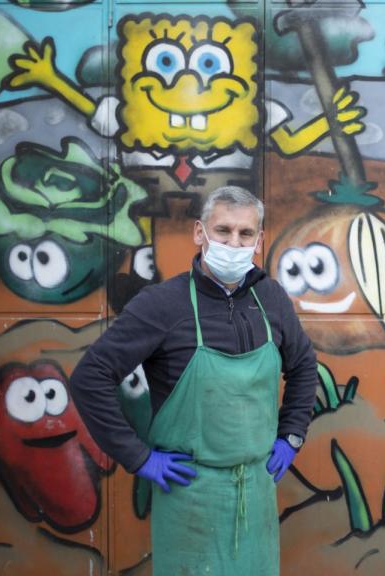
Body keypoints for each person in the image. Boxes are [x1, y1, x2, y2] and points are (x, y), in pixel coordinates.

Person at [70, 186, 318, 575]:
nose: (233, 242)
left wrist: (291, 435)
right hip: (189, 496)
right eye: (223, 231)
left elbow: (304, 366)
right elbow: (90, 378)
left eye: (245, 234)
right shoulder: (162, 305)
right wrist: (139, 458)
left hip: (256, 490)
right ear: (200, 233)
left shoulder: (271, 299)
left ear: (259, 240)